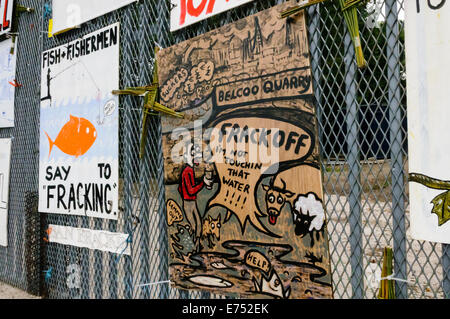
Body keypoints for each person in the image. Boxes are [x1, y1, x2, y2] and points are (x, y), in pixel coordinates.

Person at [178, 142, 211, 246]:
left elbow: (181, 188)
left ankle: (197, 245)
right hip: (188, 203)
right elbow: (191, 190)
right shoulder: (187, 171)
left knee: (198, 224)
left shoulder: (190, 170)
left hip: (191, 202)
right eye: (193, 154)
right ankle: (192, 246)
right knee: (194, 225)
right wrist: (203, 182)